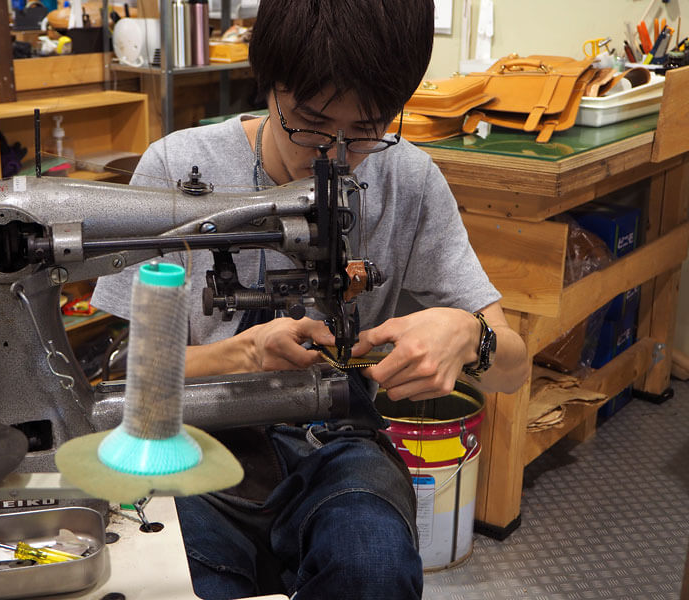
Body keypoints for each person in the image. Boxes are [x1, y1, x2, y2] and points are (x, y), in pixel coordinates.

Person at [92, 0, 528, 597]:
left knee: (373, 566)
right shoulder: (177, 167)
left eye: (367, 130)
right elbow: (118, 383)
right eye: (312, 124)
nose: (336, 156)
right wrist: (239, 357)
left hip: (337, 445)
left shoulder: (410, 181)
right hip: (192, 447)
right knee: (180, 581)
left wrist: (468, 335)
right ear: (269, 83)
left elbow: (515, 366)